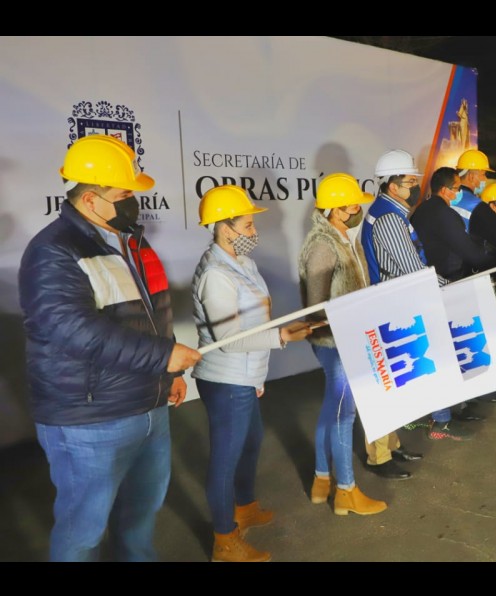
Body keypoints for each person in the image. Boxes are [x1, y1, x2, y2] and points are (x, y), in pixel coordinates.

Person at [18, 134, 202, 562]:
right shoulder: (53, 251)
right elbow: (70, 328)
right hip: (89, 421)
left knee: (140, 517)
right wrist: (163, 358)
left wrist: (169, 375)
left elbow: (152, 316)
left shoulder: (130, 241)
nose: (132, 202)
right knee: (83, 532)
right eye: (123, 195)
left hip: (148, 405)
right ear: (90, 199)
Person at [191, 185, 313, 562]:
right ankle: (225, 540)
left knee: (251, 442)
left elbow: (254, 321)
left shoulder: (243, 263)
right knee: (225, 460)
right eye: (246, 225)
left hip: (245, 376)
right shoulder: (216, 274)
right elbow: (229, 340)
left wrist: (257, 377)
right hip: (226, 379)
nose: (253, 232)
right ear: (224, 228)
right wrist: (283, 336)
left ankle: (244, 508)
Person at [298, 173, 387, 516]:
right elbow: (316, 307)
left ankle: (322, 478)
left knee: (333, 408)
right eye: (351, 206)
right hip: (335, 343)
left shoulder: (345, 238)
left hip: (348, 337)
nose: (357, 210)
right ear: (334, 210)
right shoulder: (323, 245)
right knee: (344, 413)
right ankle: (346, 491)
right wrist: (352, 318)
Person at [411, 166, 496, 440]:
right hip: (448, 283)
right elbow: (467, 250)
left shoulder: (421, 211)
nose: (460, 192)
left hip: (431, 284)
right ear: (446, 190)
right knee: (450, 349)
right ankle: (444, 418)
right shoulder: (444, 213)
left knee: (444, 349)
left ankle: (451, 409)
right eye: (458, 188)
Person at [359, 149, 429, 479]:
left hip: (393, 302)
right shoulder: (389, 218)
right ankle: (379, 457)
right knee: (384, 383)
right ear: (392, 186)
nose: (414, 187)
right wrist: (447, 286)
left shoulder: (391, 212)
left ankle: (391, 444)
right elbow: (412, 269)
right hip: (389, 304)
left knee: (394, 382)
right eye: (410, 182)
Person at [450, 149, 494, 231]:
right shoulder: (477, 205)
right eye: (483, 174)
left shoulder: (445, 197)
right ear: (471, 176)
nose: (486, 179)